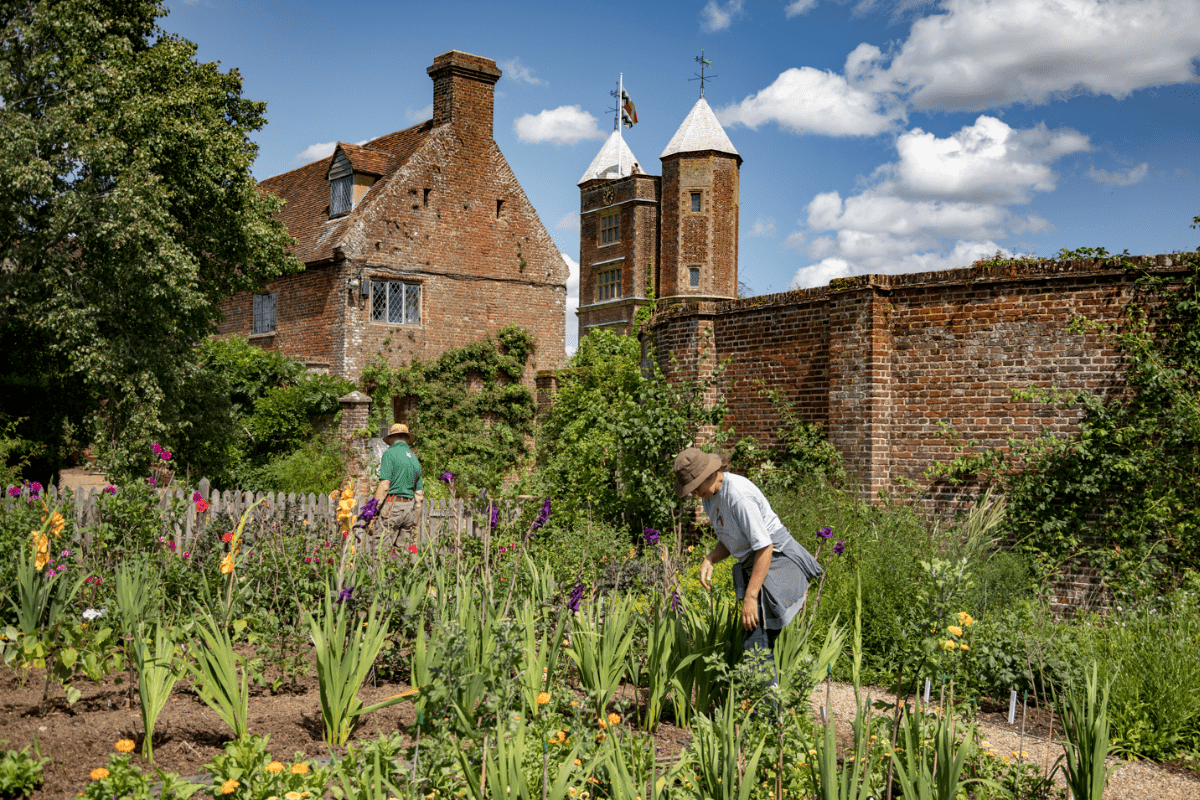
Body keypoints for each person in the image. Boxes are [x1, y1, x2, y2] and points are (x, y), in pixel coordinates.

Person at [673, 447, 822, 690]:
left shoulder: (738, 496)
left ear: (711, 474)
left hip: (777, 562)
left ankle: (769, 718)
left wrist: (751, 597)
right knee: (756, 644)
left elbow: (764, 546)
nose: (693, 493)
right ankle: (768, 714)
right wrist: (711, 557)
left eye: (695, 485)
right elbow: (732, 538)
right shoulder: (709, 497)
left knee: (756, 644)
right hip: (758, 565)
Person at [373, 423, 424, 548]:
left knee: (381, 551)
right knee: (403, 554)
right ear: (407, 439)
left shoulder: (389, 454)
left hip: (392, 507)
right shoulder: (414, 459)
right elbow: (419, 497)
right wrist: (415, 522)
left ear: (390, 439)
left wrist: (373, 510)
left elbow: (385, 486)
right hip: (409, 510)